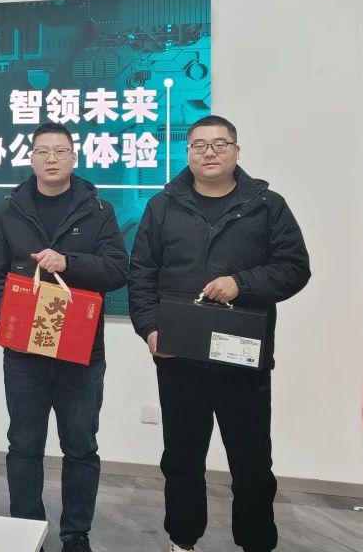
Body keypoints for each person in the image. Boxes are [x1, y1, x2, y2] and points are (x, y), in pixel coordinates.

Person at [128, 115, 310, 552]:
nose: (209, 152)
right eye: (199, 145)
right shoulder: (162, 206)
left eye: (219, 144)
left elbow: (294, 268)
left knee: (251, 463)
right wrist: (150, 329)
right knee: (181, 459)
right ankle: (182, 540)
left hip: (241, 357)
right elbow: (141, 274)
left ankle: (256, 542)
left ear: (236, 151)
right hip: (179, 357)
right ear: (188, 152)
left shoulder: (267, 205)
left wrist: (241, 283)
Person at [0, 122, 129, 552]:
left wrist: (69, 262)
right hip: (24, 353)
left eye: (60, 151)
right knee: (23, 445)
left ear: (74, 158)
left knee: (80, 447)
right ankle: (26, 529)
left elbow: (117, 270)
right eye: (42, 151)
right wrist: (6, 321)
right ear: (30, 158)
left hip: (81, 353)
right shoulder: (9, 210)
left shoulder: (98, 210)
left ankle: (75, 533)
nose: (51, 159)